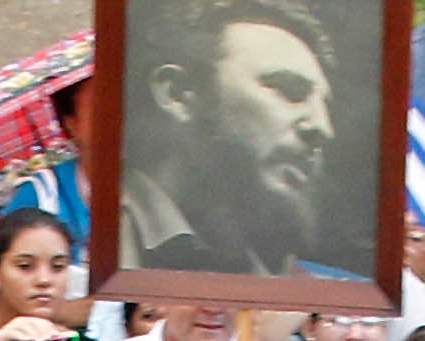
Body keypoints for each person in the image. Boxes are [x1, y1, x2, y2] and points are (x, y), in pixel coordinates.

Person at [120, 0, 363, 279]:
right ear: (179, 94)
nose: (323, 128)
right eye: (289, 90)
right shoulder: (93, 235)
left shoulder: (283, 277)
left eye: (325, 107)